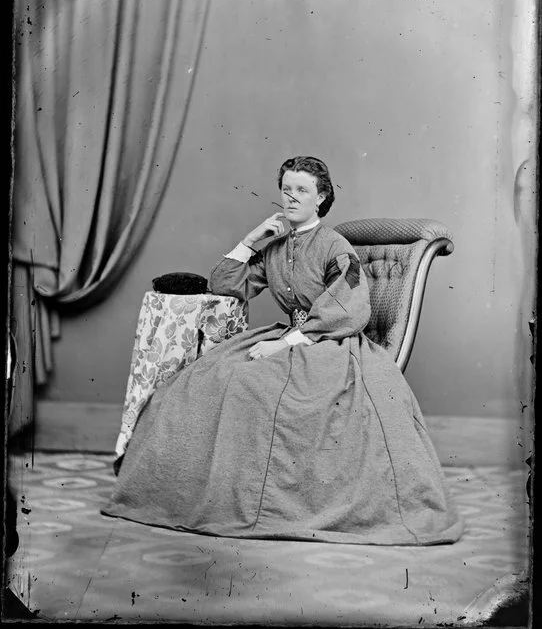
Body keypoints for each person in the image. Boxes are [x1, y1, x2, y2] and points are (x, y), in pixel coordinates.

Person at [102, 156, 463, 545]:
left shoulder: (335, 246)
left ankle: (267, 502)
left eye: (302, 190)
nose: (291, 198)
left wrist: (286, 342)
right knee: (206, 376)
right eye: (286, 190)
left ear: (321, 198)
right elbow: (225, 284)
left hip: (330, 343)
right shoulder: (276, 249)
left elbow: (349, 307)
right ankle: (212, 494)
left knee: (251, 384)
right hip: (288, 336)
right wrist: (250, 240)